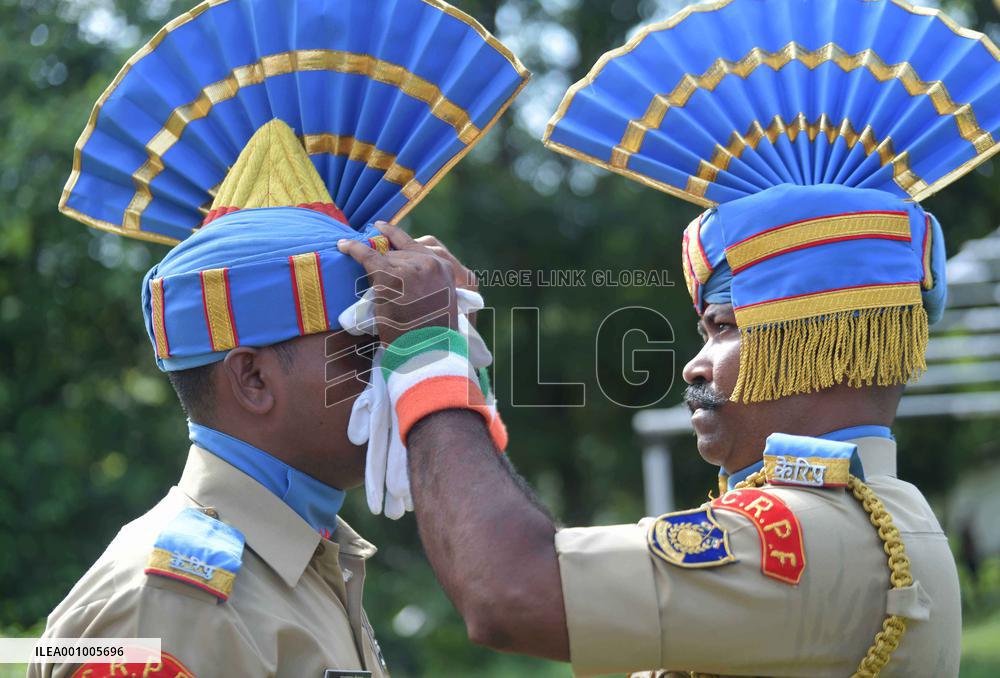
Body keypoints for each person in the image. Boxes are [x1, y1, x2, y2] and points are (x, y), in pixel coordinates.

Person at [337, 0, 1000, 675]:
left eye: (724, 329)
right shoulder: (873, 516)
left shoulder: (808, 534)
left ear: (817, 339)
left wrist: (427, 348)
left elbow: (512, 590)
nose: (694, 366)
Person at [29, 0, 526, 675]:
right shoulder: (169, 600)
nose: (394, 369)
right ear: (253, 379)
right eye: (364, 345)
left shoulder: (308, 561)